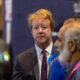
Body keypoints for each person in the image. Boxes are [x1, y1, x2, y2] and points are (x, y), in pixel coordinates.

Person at [12, 9, 58, 80]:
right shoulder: (21, 60)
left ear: (52, 29)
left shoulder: (63, 56)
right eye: (36, 28)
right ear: (31, 31)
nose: (40, 31)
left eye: (44, 27)